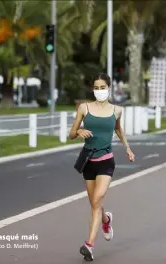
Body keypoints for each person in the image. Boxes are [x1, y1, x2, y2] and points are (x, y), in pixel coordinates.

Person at [69, 73, 135, 261]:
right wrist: (79, 130)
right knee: (95, 204)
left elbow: (118, 129)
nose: (99, 91)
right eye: (96, 88)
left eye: (102, 87)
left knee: (97, 201)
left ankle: (88, 245)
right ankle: (106, 220)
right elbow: (71, 133)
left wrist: (128, 148)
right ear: (93, 89)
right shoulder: (84, 108)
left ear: (109, 88)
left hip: (106, 161)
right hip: (88, 161)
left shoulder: (116, 110)